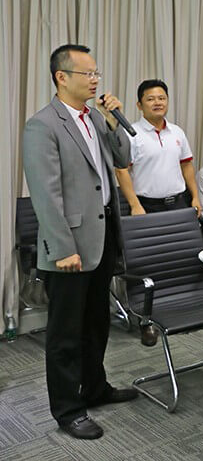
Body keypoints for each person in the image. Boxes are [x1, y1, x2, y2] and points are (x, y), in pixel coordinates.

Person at [22, 44, 137, 440]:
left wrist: (114, 121)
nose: (95, 80)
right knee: (65, 334)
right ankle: (68, 410)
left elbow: (122, 160)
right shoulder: (43, 125)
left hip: (101, 238)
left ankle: (95, 387)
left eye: (96, 73)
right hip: (69, 245)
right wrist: (62, 247)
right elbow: (45, 194)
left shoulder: (95, 118)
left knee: (96, 323)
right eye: (87, 74)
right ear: (61, 77)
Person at [115, 79, 200, 216]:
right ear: (139, 105)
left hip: (179, 203)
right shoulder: (130, 134)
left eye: (162, 98)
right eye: (150, 99)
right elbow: (121, 171)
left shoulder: (177, 131)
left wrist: (195, 196)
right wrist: (135, 205)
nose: (158, 103)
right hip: (146, 206)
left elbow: (186, 165)